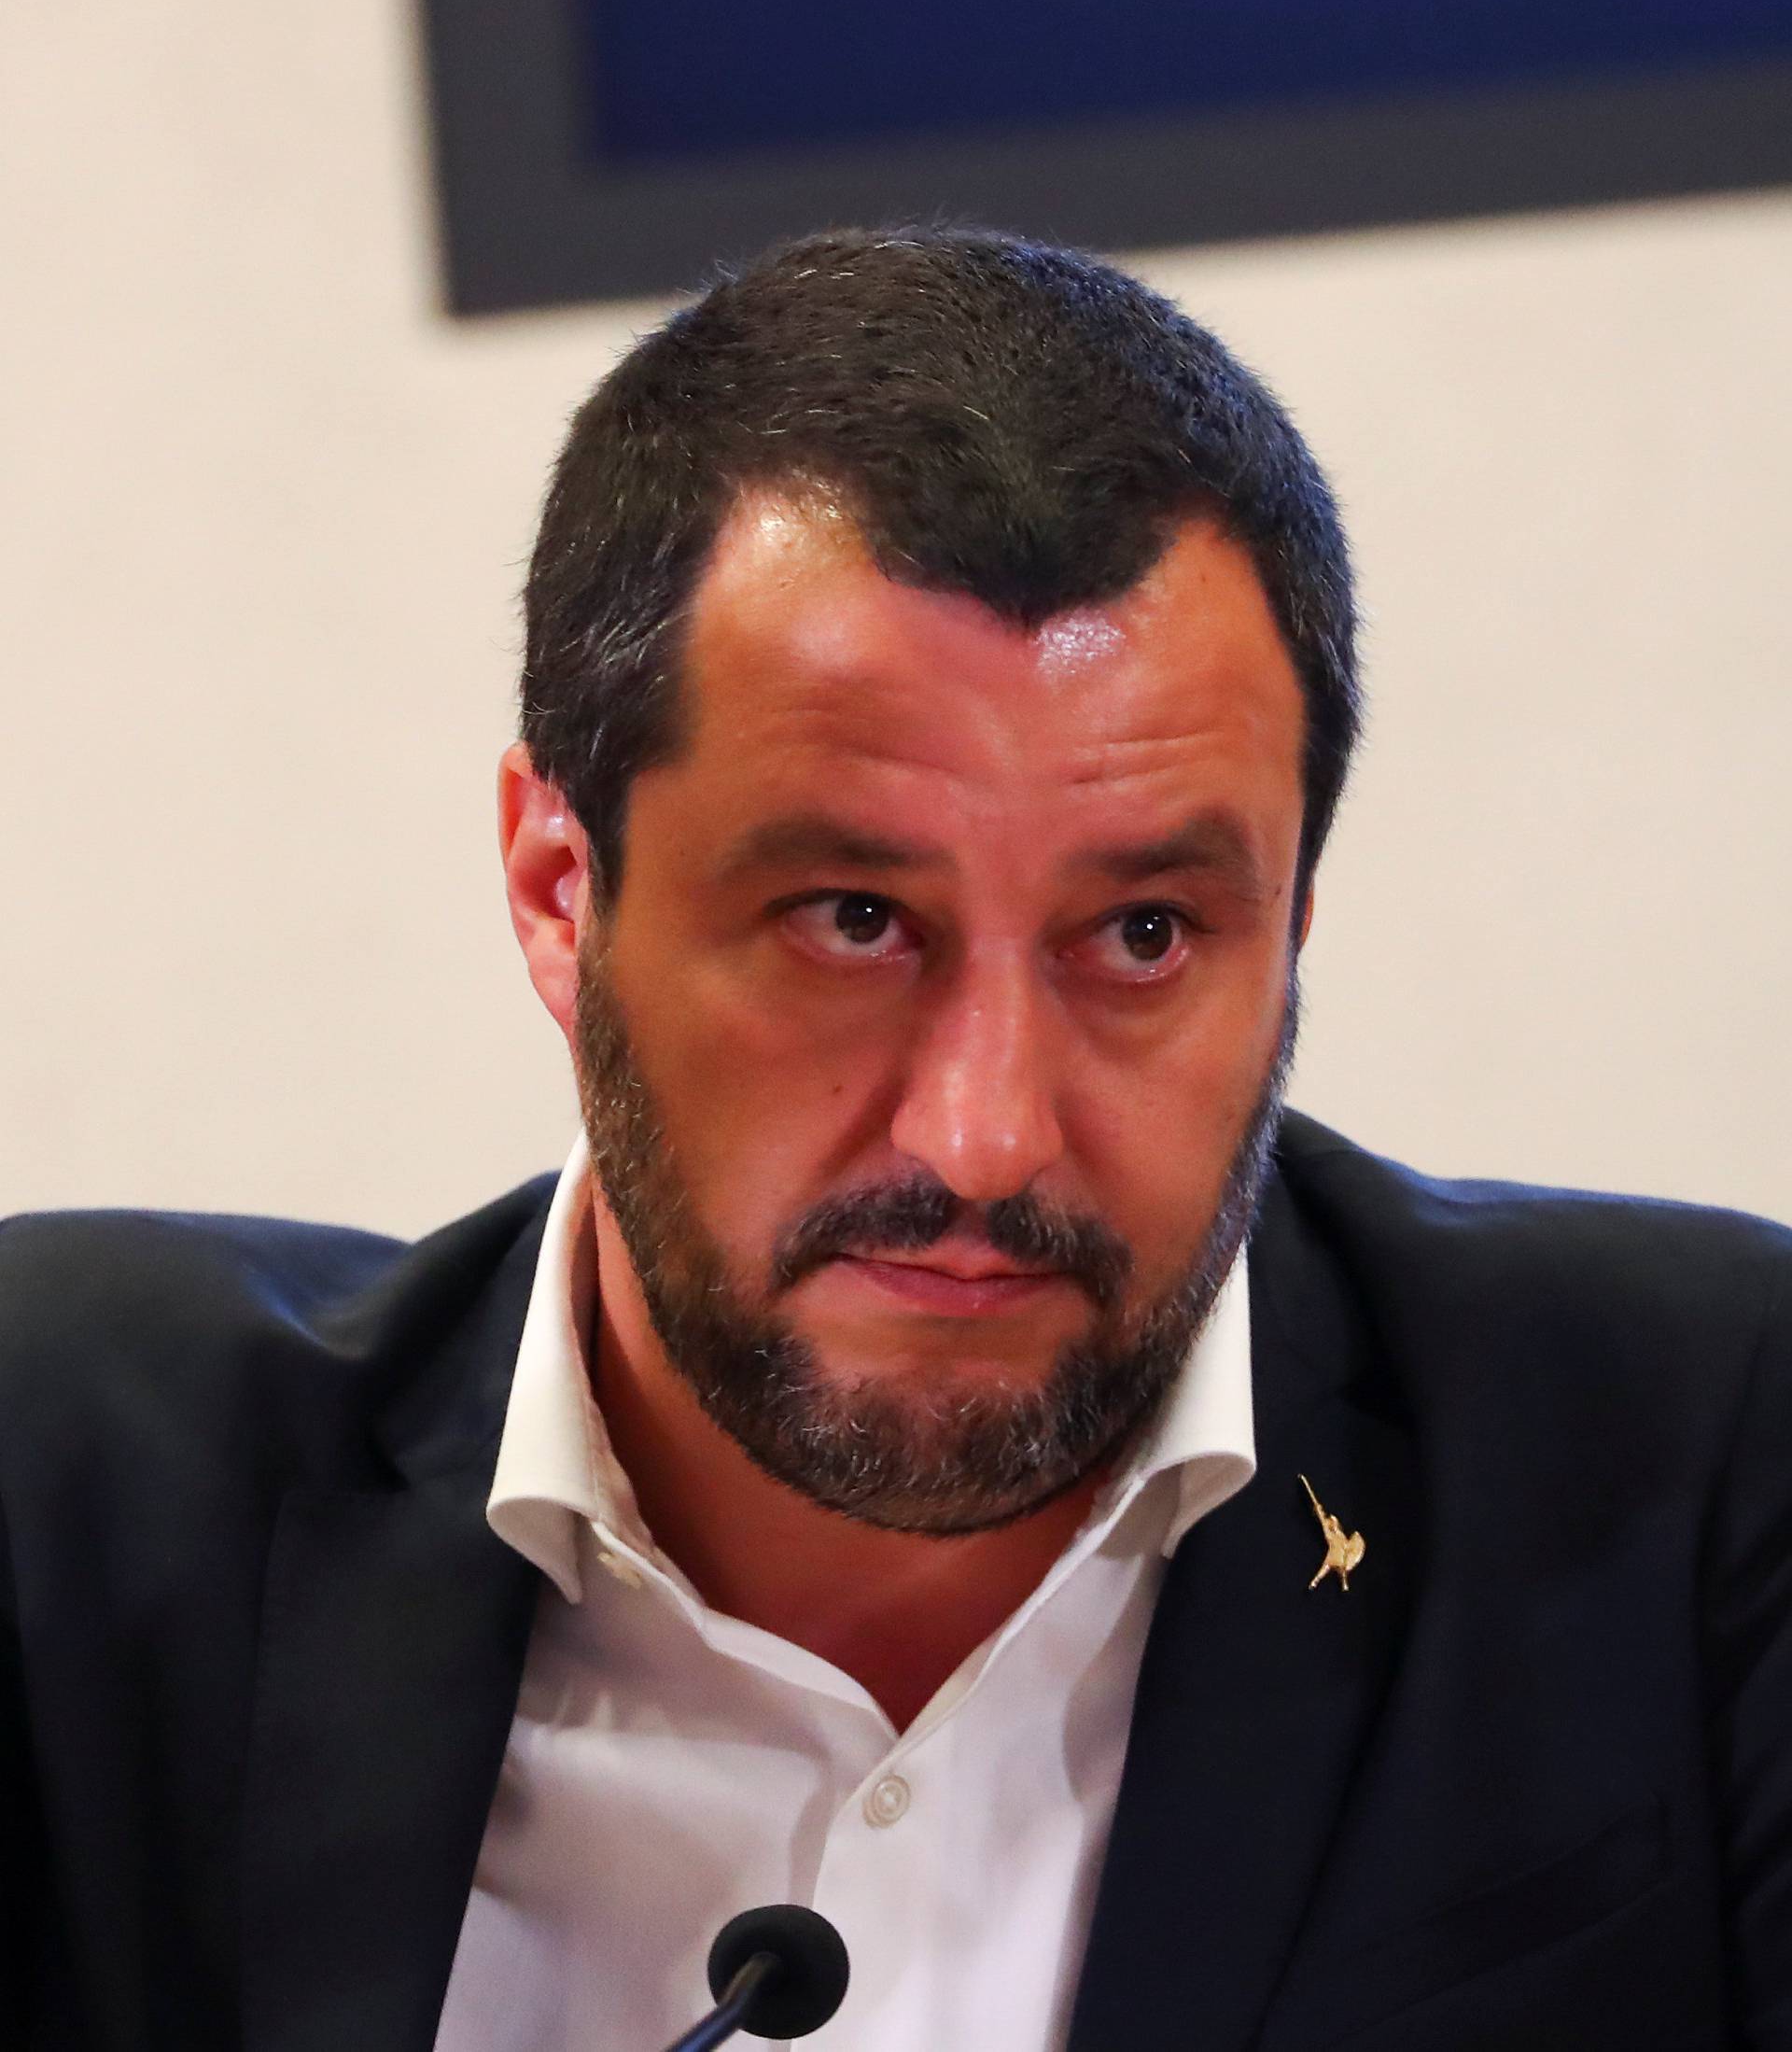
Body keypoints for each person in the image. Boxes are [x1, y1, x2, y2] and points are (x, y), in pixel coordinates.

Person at [1, 225, 1786, 2052]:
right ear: (560, 889)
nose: (991, 1136)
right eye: (851, 918)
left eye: (1145, 935)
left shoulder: (1700, 1458)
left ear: (1294, 926)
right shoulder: (72, 1519)